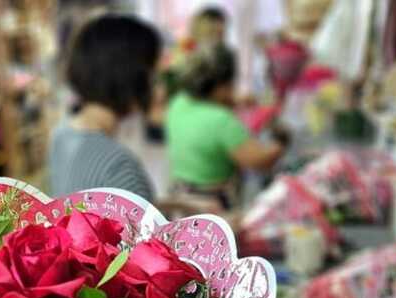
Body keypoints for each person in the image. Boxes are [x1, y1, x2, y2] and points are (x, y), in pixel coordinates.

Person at [49, 14, 158, 202]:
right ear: (133, 75)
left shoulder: (62, 134)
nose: (156, 85)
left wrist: (179, 202)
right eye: (152, 73)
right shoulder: (119, 167)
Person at [165, 44, 287, 209]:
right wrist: (281, 142)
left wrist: (237, 101)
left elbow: (210, 106)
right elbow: (259, 161)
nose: (232, 90)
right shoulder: (221, 121)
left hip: (179, 194)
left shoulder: (179, 102)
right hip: (212, 202)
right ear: (220, 85)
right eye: (230, 85)